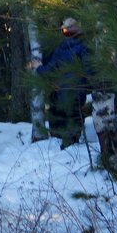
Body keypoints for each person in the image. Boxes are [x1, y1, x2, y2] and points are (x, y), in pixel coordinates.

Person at [34, 17, 92, 147]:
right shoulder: (85, 47)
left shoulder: (60, 49)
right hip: (79, 90)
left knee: (68, 117)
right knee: (75, 116)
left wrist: (38, 68)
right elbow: (90, 69)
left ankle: (69, 145)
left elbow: (49, 69)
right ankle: (73, 144)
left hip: (63, 91)